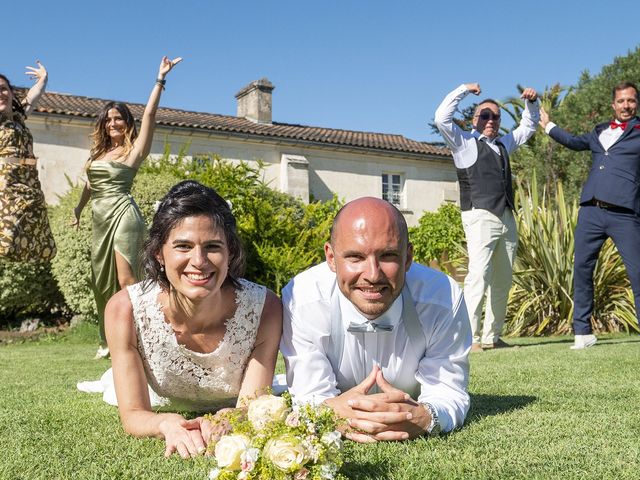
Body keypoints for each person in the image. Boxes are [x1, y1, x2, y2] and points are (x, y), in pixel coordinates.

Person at [98, 180, 281, 458]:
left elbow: (250, 408)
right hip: (158, 398)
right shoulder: (125, 310)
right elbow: (134, 413)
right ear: (159, 253)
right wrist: (166, 422)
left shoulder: (265, 308)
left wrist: (228, 420)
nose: (199, 260)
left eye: (213, 246)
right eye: (183, 246)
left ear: (230, 252)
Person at [280, 197, 470, 442]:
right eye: (355, 257)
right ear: (330, 257)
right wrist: (330, 414)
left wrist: (426, 417)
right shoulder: (303, 298)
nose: (372, 275)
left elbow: (448, 390)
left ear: (408, 257)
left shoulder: (442, 297)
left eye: (388, 255)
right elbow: (311, 397)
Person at [72, 56, 182, 359]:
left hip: (123, 214)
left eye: (118, 118)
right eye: (108, 119)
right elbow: (90, 185)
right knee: (101, 281)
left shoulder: (134, 151)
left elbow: (149, 115)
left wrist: (160, 80)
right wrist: (78, 210)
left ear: (126, 122)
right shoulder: (99, 153)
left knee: (126, 278)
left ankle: (143, 336)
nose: (113, 123)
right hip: (99, 218)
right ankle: (112, 338)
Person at [434, 83, 539, 352]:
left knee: (503, 279)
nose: (490, 120)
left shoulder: (503, 145)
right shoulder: (463, 143)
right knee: (478, 275)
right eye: (484, 116)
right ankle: (470, 338)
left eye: (495, 117)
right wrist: (464, 90)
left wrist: (531, 103)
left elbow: (528, 127)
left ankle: (493, 336)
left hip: (506, 216)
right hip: (479, 215)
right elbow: (441, 117)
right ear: (474, 120)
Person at [539, 81, 640, 349]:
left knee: (637, 271)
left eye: (630, 100)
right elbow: (572, 142)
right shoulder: (599, 132)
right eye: (621, 101)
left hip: (625, 213)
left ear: (636, 103)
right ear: (613, 104)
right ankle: (582, 332)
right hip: (590, 212)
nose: (626, 105)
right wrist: (549, 125)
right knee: (582, 270)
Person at [0, 61, 56, 261]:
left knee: (39, 243)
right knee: (6, 243)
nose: (1, 94)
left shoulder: (18, 118)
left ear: (12, 93)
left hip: (29, 184)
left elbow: (32, 98)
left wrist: (43, 79)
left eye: (4, 89)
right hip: (6, 187)